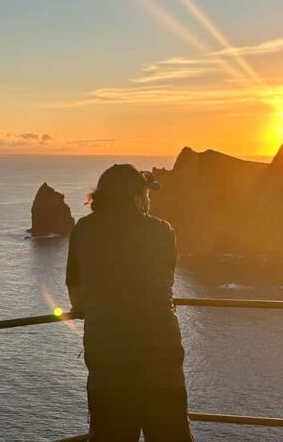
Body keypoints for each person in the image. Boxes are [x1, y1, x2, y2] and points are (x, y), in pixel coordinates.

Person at [66, 164, 194, 442]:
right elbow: (165, 286)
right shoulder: (162, 231)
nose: (149, 201)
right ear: (136, 197)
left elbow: (76, 295)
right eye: (146, 194)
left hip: (108, 364)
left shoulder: (83, 230)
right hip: (163, 362)